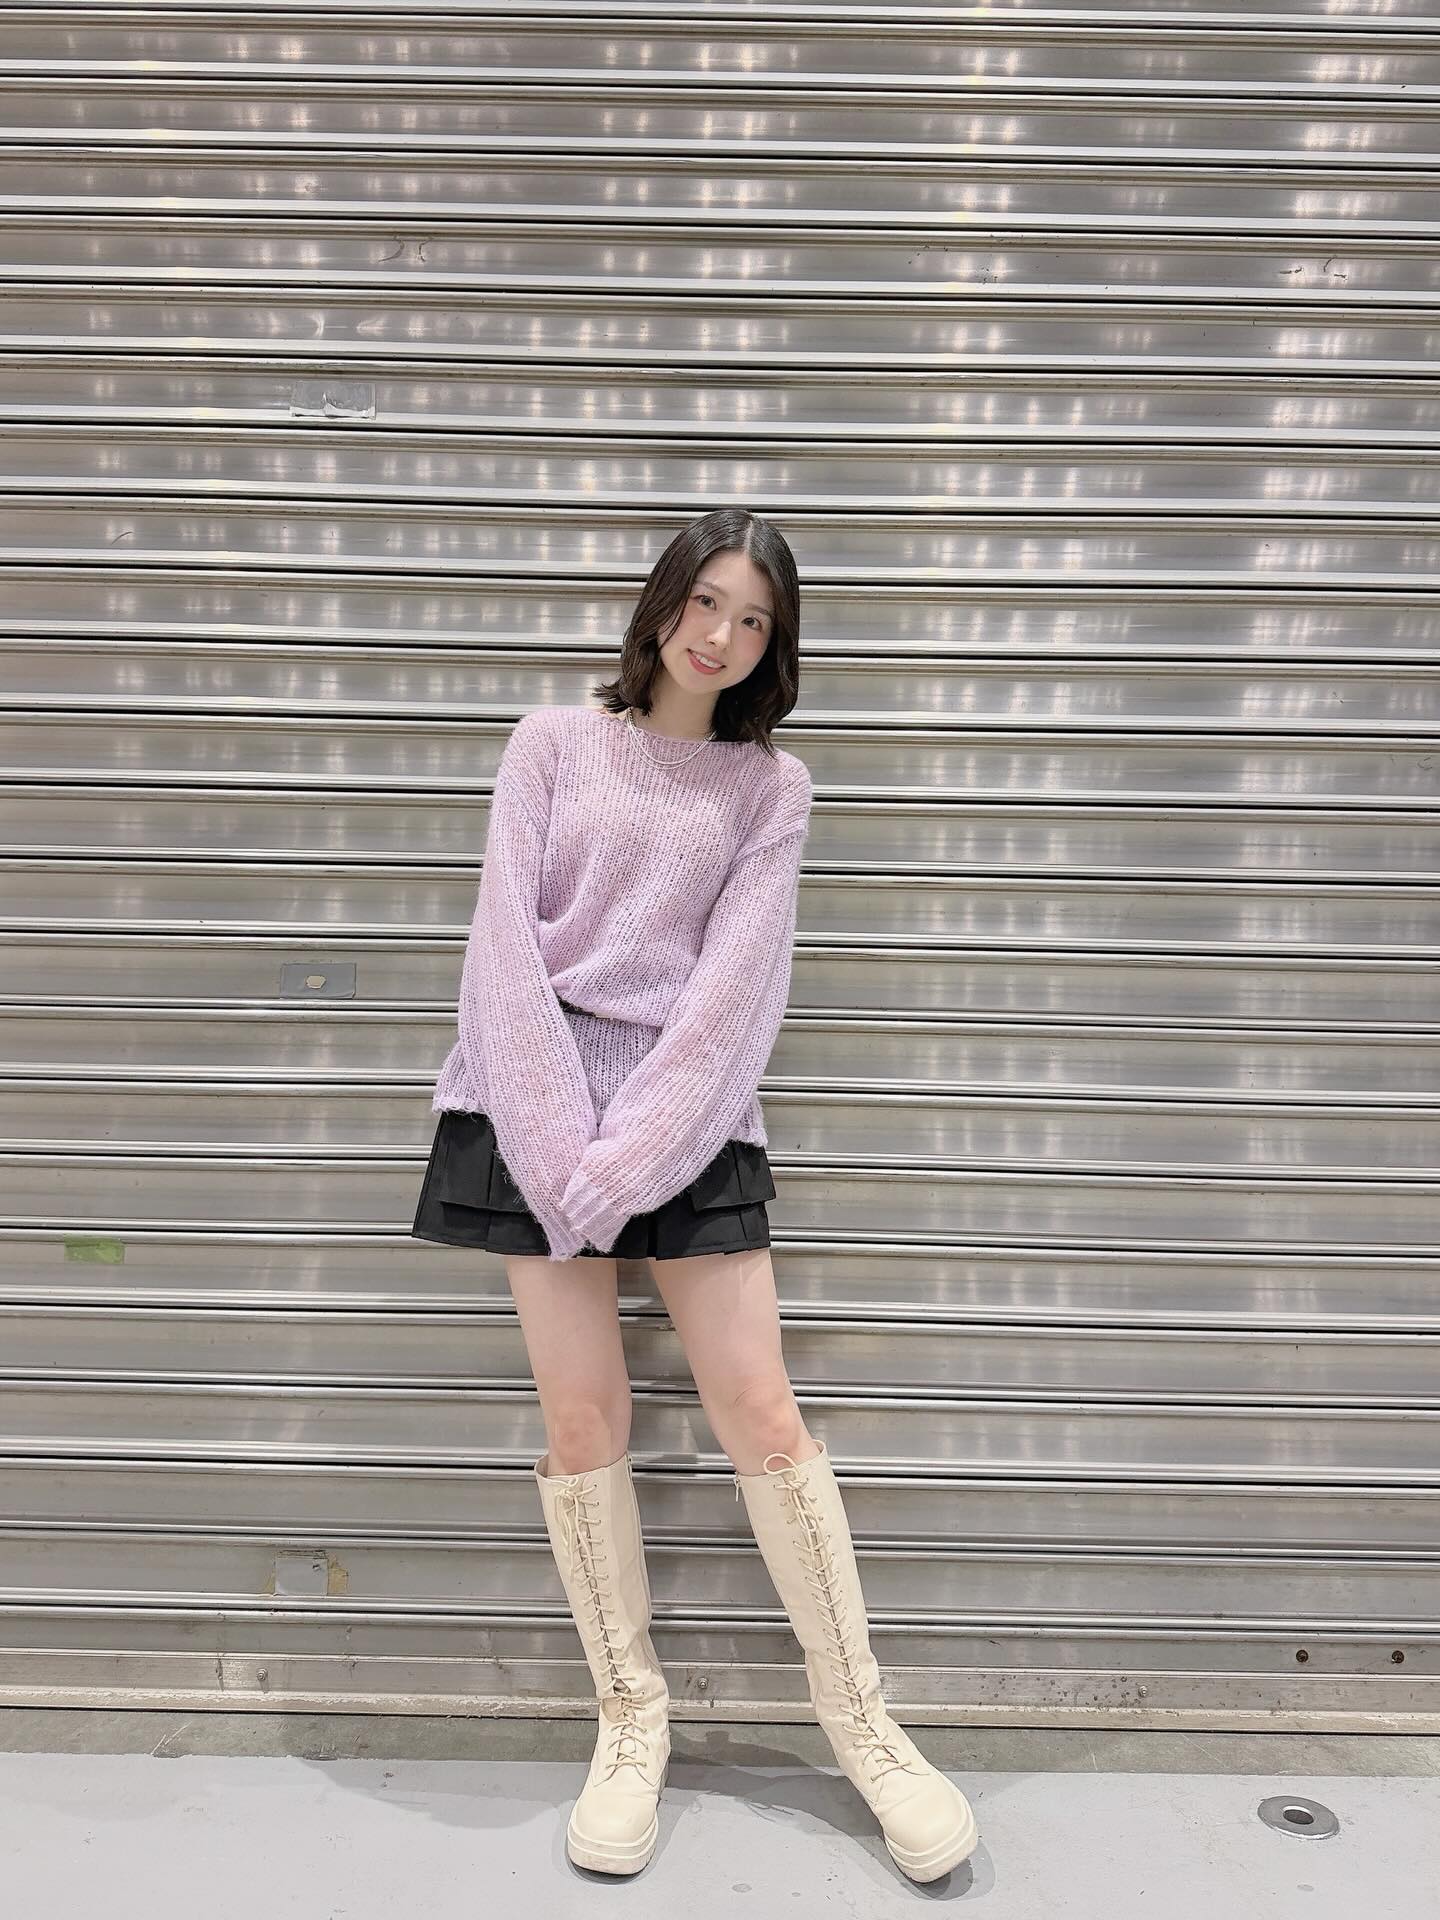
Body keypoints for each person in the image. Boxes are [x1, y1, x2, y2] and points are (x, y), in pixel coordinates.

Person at [412, 506, 978, 1883]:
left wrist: (627, 1162)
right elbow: (501, 958)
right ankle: (630, 1719)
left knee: (763, 1418)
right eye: (706, 602)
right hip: (528, 1105)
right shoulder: (551, 745)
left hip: (690, 1114)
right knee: (583, 1419)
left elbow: (736, 1001)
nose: (721, 636)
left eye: (754, 620)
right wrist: (561, 1153)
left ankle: (863, 1724)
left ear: (775, 647)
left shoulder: (770, 790)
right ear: (663, 603)